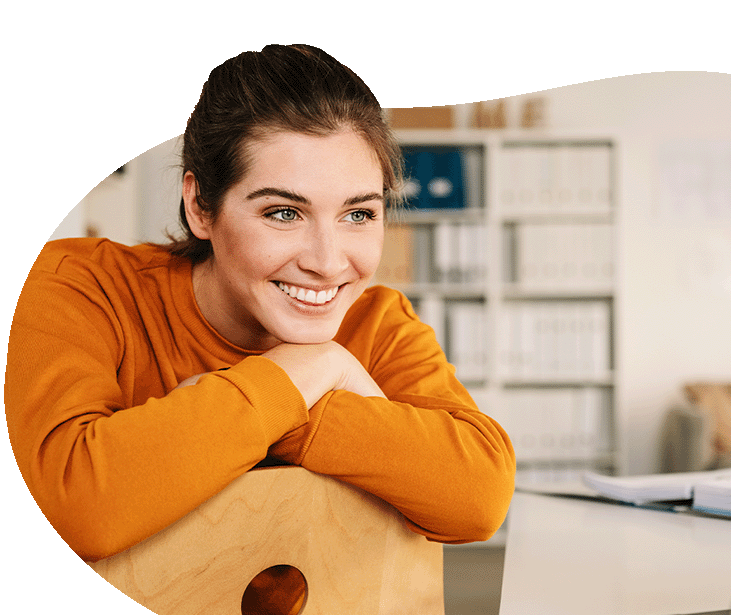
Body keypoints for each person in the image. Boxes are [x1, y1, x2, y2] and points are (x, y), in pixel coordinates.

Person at [6, 44, 516, 563]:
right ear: (201, 207)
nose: (327, 262)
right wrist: (308, 371)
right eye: (283, 213)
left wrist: (250, 406)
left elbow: (479, 495)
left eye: (358, 214)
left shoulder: (378, 323)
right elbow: (73, 509)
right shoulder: (78, 285)